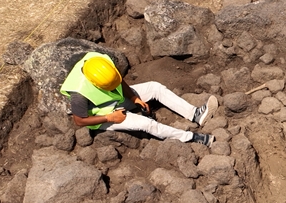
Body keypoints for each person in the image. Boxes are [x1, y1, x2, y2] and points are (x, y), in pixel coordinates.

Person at [60, 51, 215, 145]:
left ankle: (195, 114)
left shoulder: (100, 62)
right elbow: (79, 121)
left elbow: (118, 81)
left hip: (117, 99)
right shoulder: (78, 93)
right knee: (147, 124)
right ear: (94, 84)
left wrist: (134, 98)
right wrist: (110, 117)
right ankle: (191, 138)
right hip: (103, 115)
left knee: (155, 88)